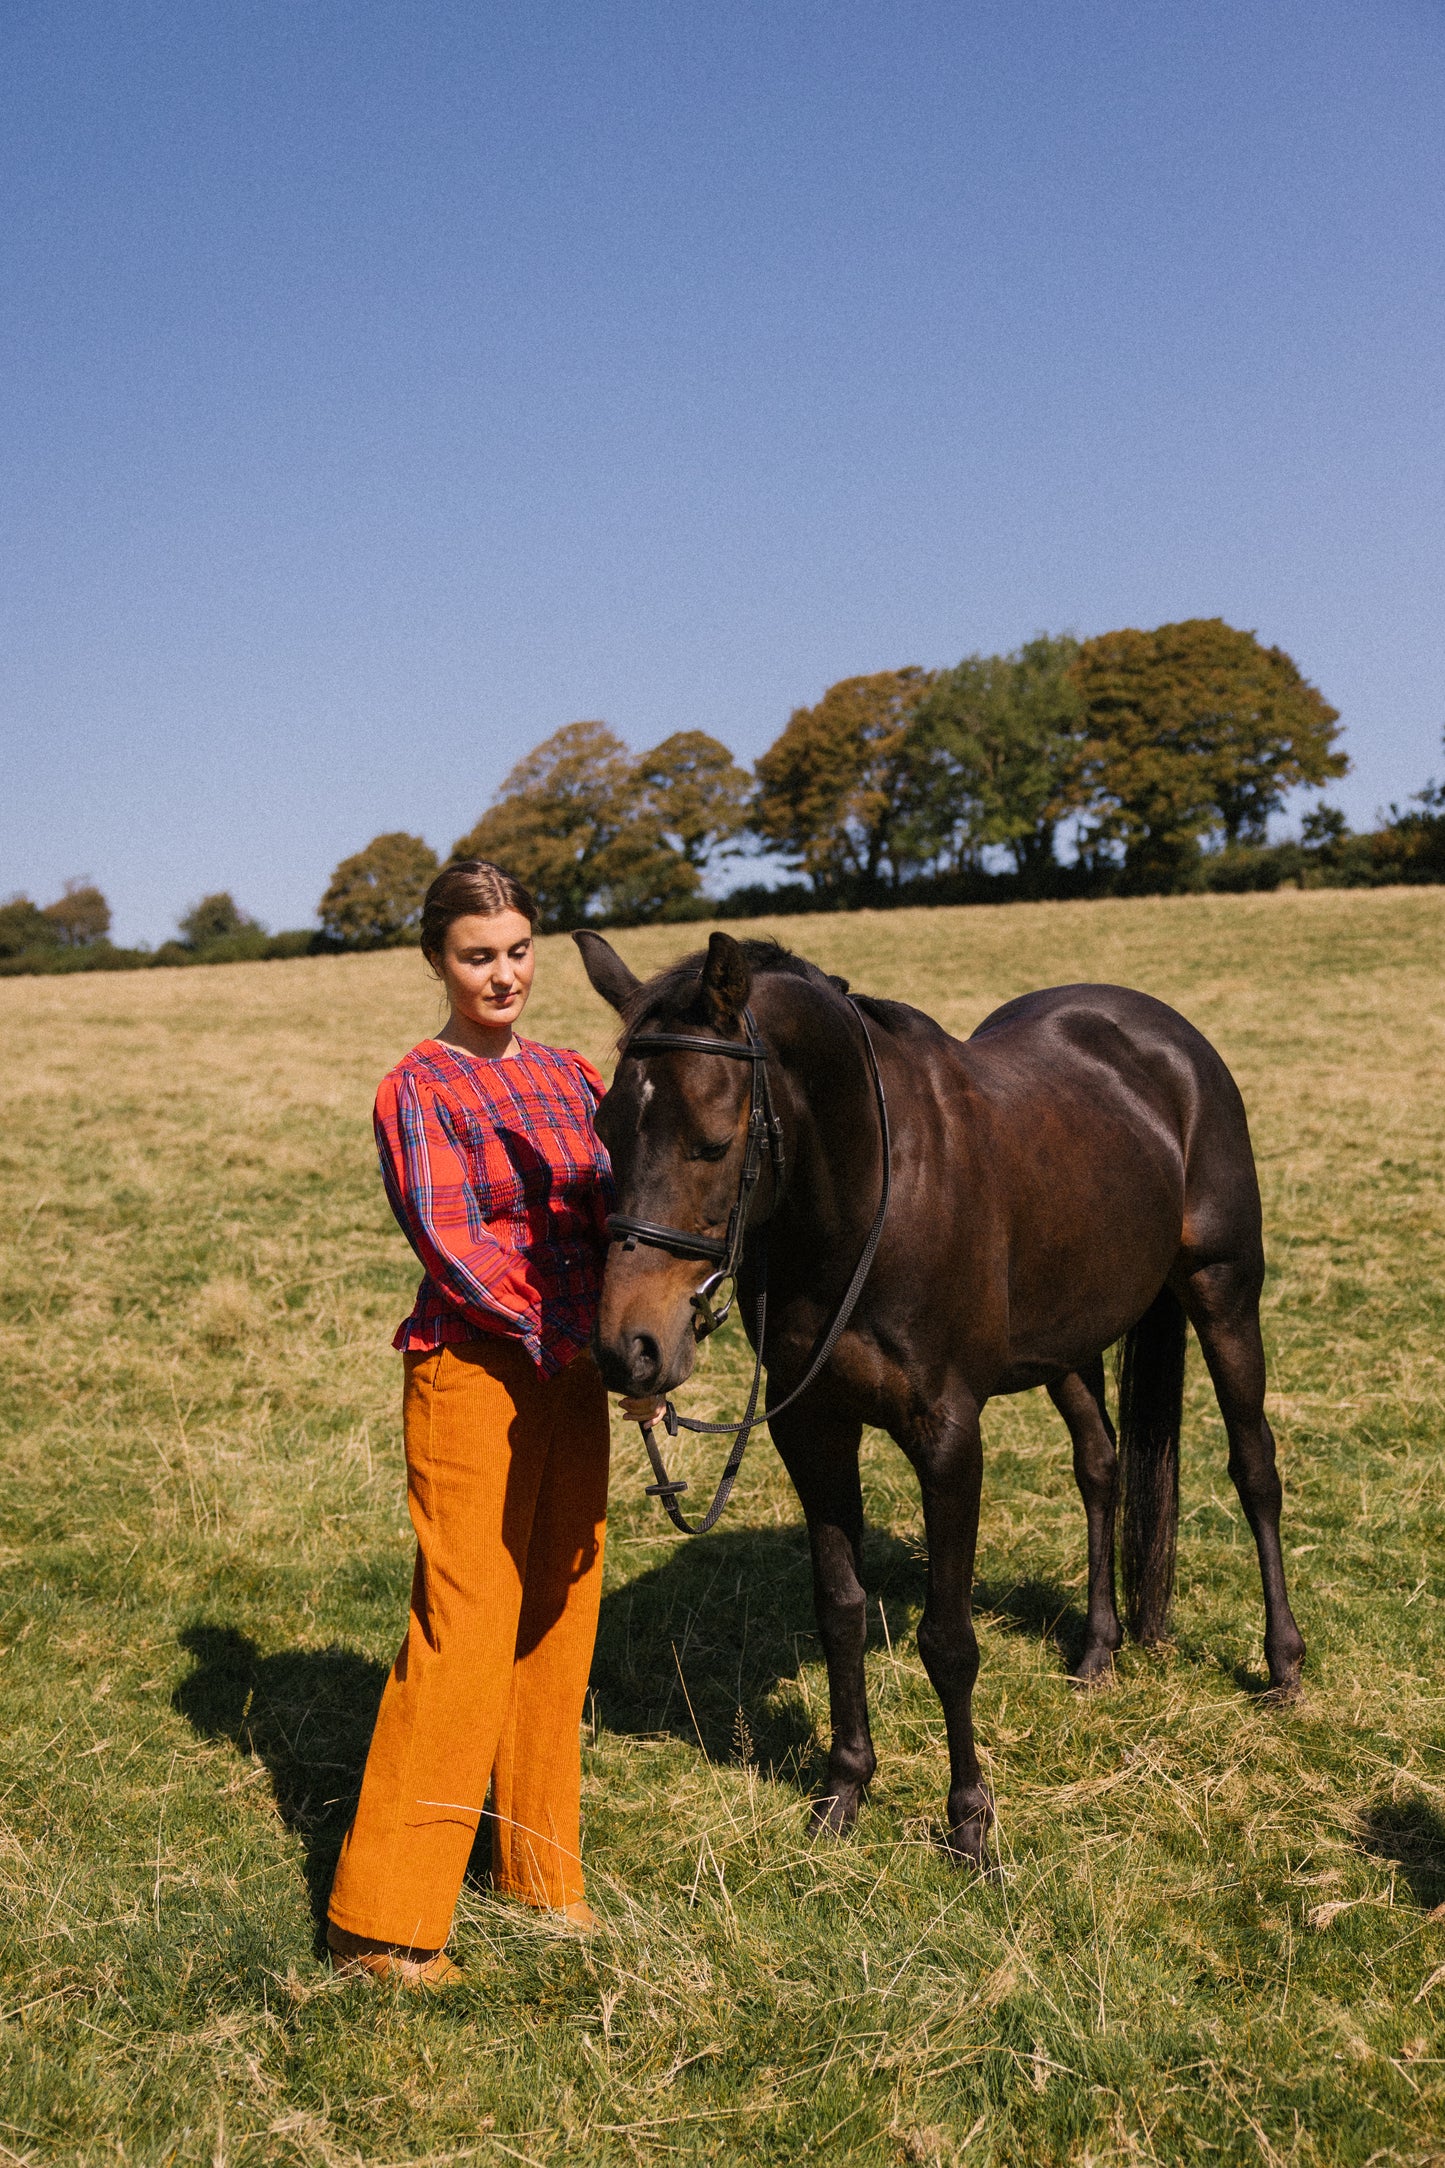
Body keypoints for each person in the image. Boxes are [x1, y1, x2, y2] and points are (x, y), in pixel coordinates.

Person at [326, 859, 653, 1986]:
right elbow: (455, 1250)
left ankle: (537, 1869)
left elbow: (626, 1216)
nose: (502, 973)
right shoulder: (417, 1087)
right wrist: (570, 1337)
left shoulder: (570, 1074)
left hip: (570, 1371)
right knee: (465, 1622)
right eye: (478, 954)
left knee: (560, 1612)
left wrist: (635, 1348)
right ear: (437, 960)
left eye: (516, 949)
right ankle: (384, 1922)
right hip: (475, 1370)